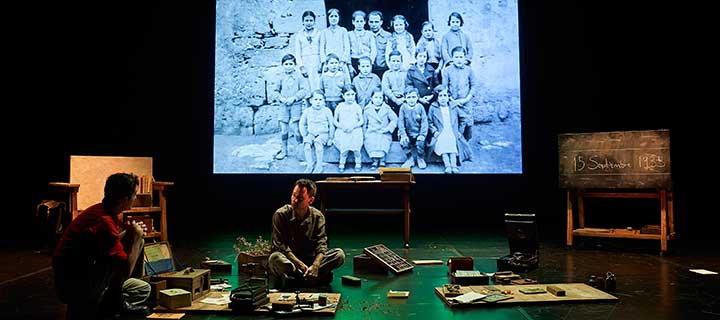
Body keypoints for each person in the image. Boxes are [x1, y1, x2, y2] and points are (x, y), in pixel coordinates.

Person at [52, 173, 150, 318]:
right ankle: (108, 306)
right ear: (124, 200)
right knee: (136, 238)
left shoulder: (102, 210)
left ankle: (111, 300)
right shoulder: (104, 222)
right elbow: (125, 269)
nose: (136, 198)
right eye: (134, 195)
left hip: (78, 274)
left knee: (143, 287)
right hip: (74, 287)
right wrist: (135, 236)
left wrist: (133, 235)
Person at [269, 179, 345, 289]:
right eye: (293, 195)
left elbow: (322, 244)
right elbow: (280, 246)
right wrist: (300, 265)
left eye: (300, 198)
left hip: (310, 260)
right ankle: (313, 279)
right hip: (291, 262)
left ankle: (296, 280)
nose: (294, 200)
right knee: (274, 258)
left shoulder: (318, 216)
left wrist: (316, 265)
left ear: (310, 200)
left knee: (339, 255)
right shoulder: (281, 214)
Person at [271, 54, 309, 160]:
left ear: (295, 65)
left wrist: (294, 98)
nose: (288, 66)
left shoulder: (299, 76)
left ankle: (299, 151)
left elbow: (304, 90)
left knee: (296, 129)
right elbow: (275, 91)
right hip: (283, 106)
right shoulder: (280, 77)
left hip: (295, 105)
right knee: (284, 130)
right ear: (282, 65)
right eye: (286, 64)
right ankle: (284, 150)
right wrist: (281, 98)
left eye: (291, 64)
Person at [441, 46, 477, 146]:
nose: (459, 60)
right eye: (456, 57)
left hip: (466, 102)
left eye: (461, 57)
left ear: (465, 58)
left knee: (468, 124)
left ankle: (466, 143)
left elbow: (473, 85)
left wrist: (467, 98)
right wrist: (451, 99)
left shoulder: (469, 70)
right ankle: (457, 146)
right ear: (452, 59)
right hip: (452, 102)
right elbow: (445, 87)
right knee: (455, 124)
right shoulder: (447, 70)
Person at [299, 90, 335, 173]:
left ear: (324, 101)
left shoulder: (327, 111)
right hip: (311, 133)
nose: (318, 102)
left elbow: (331, 125)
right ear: (311, 100)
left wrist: (330, 138)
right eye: (315, 100)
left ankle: (319, 166)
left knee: (318, 144)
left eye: (320, 100)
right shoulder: (307, 111)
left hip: (323, 134)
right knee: (307, 145)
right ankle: (309, 165)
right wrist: (304, 135)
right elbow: (302, 123)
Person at [428, 85, 461, 173]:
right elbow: (429, 122)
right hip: (440, 131)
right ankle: (447, 166)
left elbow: (463, 119)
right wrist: (434, 131)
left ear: (449, 97)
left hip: (451, 130)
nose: (443, 98)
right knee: (443, 142)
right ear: (437, 98)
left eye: (445, 95)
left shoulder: (453, 107)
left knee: (452, 142)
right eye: (440, 96)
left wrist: (459, 131)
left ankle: (454, 166)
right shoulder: (433, 107)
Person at [333, 85, 365, 172]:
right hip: (343, 130)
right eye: (347, 95)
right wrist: (342, 127)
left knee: (356, 149)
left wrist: (353, 127)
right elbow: (335, 121)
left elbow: (361, 121)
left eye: (352, 94)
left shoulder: (357, 107)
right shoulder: (339, 107)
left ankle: (358, 163)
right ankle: (342, 163)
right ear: (343, 95)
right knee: (344, 150)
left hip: (355, 130)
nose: (350, 97)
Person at [364, 88, 397, 169]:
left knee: (383, 142)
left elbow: (395, 119)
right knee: (371, 141)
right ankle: (374, 160)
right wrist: (364, 134)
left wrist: (388, 128)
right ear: (371, 98)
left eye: (380, 98)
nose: (378, 100)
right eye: (376, 97)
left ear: (383, 99)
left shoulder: (387, 109)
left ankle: (382, 160)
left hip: (384, 131)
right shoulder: (367, 109)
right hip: (372, 131)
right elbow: (364, 123)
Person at [397, 87, 429, 169]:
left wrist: (422, 134)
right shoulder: (403, 108)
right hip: (407, 133)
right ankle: (409, 158)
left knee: (420, 143)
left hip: (418, 133)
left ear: (418, 97)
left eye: (414, 97)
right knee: (402, 139)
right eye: (409, 97)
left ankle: (420, 158)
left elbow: (424, 122)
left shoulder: (420, 107)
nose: (411, 100)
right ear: (405, 98)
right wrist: (403, 135)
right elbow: (401, 122)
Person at [292, 10, 322, 91]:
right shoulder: (299, 35)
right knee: (306, 84)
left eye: (311, 20)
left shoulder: (319, 34)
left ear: (314, 22)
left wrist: (322, 63)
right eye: (306, 20)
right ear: (303, 22)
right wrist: (301, 66)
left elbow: (322, 49)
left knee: (317, 83)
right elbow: (297, 52)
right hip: (305, 62)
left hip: (317, 61)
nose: (309, 23)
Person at [319, 8, 352, 79]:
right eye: (331, 16)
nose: (333, 18)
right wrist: (325, 62)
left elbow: (347, 47)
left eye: (335, 16)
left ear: (339, 18)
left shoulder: (343, 30)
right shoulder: (324, 32)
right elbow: (322, 48)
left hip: (341, 63)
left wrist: (342, 62)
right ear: (328, 18)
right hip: (328, 63)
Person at [405, 46, 438, 111]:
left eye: (424, 57)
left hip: (430, 99)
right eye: (420, 56)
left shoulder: (431, 69)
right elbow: (409, 86)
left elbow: (437, 85)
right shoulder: (411, 71)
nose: (422, 59)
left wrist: (432, 95)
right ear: (416, 57)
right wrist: (419, 98)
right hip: (416, 101)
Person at [348, 10, 376, 78]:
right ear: (353, 22)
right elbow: (347, 50)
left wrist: (371, 63)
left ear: (365, 22)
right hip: (354, 60)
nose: (359, 24)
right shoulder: (349, 34)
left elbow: (373, 50)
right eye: (357, 21)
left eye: (361, 21)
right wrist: (349, 65)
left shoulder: (369, 34)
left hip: (366, 60)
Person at [382, 50, 407, 117]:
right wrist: (395, 100)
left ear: (401, 62)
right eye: (393, 61)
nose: (395, 63)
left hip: (404, 100)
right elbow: (386, 89)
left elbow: (409, 86)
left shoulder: (405, 73)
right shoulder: (386, 74)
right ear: (389, 62)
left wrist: (404, 98)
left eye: (398, 61)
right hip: (391, 100)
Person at [368, 11, 392, 79]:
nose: (374, 24)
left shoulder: (388, 36)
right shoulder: (365, 35)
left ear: (381, 22)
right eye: (371, 22)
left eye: (376, 22)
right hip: (368, 69)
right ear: (368, 22)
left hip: (383, 69)